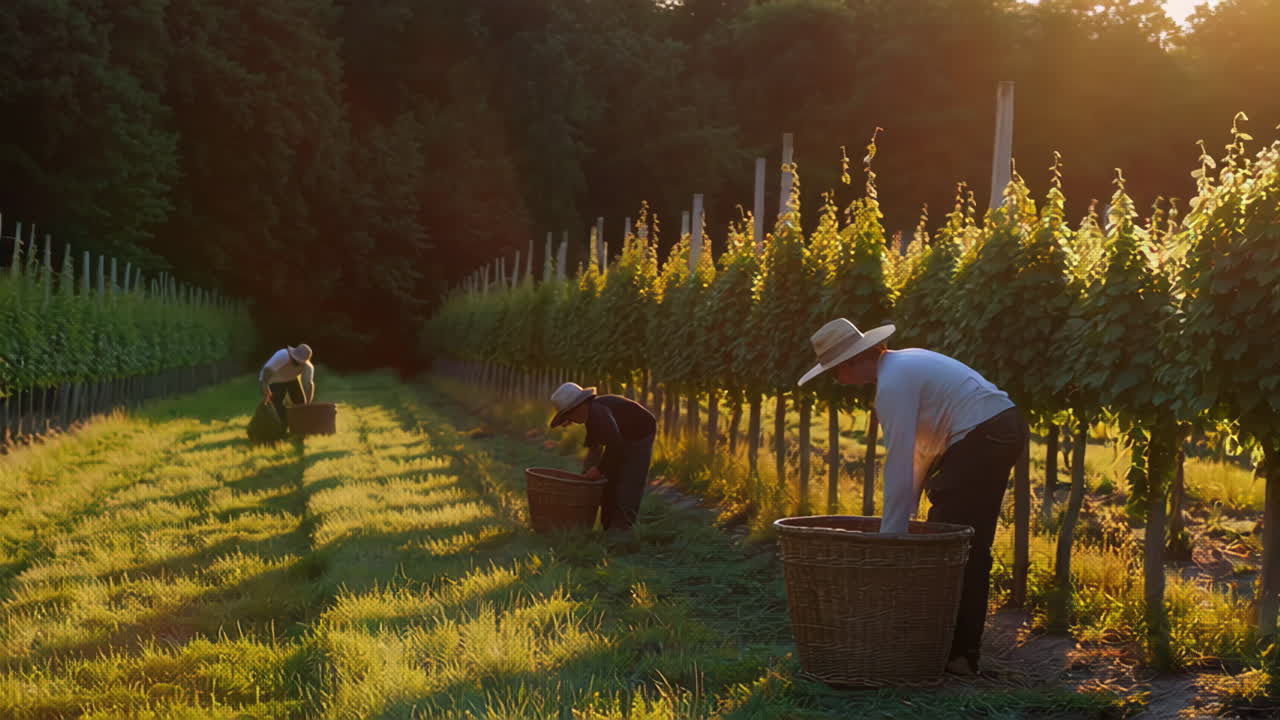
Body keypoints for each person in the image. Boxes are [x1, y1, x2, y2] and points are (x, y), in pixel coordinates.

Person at [797, 318, 1028, 677]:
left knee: (950, 544)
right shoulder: (903, 364)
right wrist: (899, 527)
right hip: (998, 429)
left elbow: (901, 461)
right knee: (963, 542)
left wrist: (891, 539)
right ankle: (955, 652)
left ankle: (948, 652)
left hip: (985, 436)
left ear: (848, 365)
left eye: (832, 372)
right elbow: (922, 454)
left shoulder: (892, 383)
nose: (836, 381)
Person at [549, 382, 657, 531]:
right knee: (608, 484)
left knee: (629, 482)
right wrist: (585, 477)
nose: (571, 421)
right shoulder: (590, 415)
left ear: (578, 407)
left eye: (569, 415)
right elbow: (595, 449)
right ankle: (607, 527)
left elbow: (615, 447)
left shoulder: (599, 412)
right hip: (622, 437)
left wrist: (599, 469)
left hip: (641, 434)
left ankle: (621, 531)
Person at [259, 344, 315, 433]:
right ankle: (281, 429)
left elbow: (309, 385)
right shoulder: (282, 355)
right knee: (278, 405)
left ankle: (299, 428)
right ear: (292, 355)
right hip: (273, 379)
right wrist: (265, 386)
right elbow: (266, 371)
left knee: (300, 403)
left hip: (291, 378)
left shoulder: (308, 367)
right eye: (295, 360)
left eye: (299, 361)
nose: (296, 362)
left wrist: (307, 405)